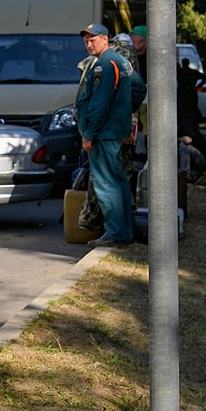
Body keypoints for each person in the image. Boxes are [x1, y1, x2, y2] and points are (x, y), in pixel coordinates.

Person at [75, 22, 136, 247]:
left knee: (105, 184)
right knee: (118, 182)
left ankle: (115, 234)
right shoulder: (122, 62)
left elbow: (99, 104)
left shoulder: (103, 65)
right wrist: (124, 116)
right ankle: (124, 232)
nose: (88, 45)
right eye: (86, 41)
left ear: (105, 39)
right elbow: (138, 88)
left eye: (92, 40)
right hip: (113, 130)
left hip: (102, 133)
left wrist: (89, 134)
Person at [176, 57, 206, 179]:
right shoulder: (190, 72)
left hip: (186, 95)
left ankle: (185, 174)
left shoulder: (187, 127)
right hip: (188, 94)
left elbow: (187, 140)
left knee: (184, 147)